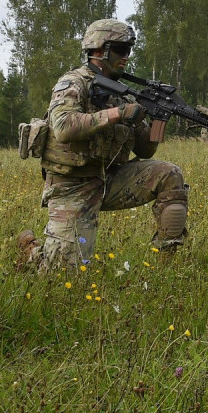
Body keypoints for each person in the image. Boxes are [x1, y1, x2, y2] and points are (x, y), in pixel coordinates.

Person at [18, 19, 188, 271]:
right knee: (62, 275)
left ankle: (167, 267)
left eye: (129, 50)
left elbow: (145, 151)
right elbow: (64, 127)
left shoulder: (125, 93)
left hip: (110, 179)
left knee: (169, 175)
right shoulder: (74, 83)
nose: (126, 57)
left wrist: (158, 120)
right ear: (99, 50)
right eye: (120, 50)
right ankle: (31, 251)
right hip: (72, 186)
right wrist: (117, 114)